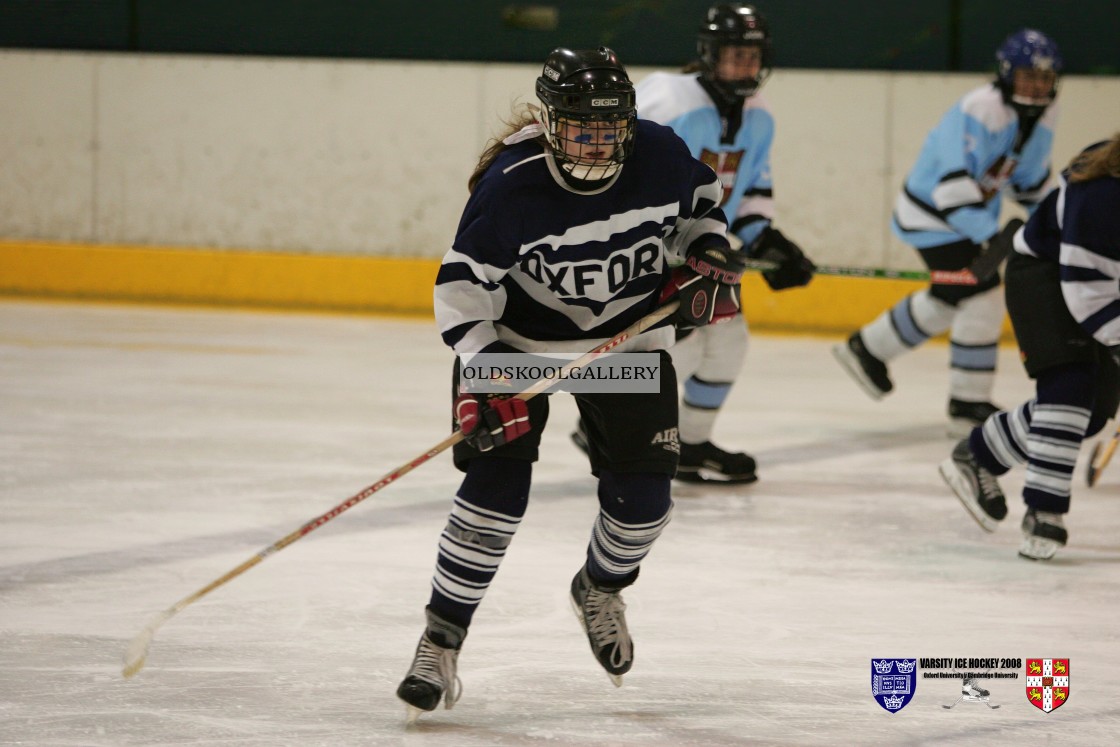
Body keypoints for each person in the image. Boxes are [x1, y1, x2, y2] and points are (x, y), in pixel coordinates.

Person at [396, 47, 745, 719]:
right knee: (494, 496)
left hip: (630, 340)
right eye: (582, 127)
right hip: (517, 348)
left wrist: (706, 250)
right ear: (553, 122)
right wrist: (486, 376)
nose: (597, 141)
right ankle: (439, 640)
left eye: (610, 127)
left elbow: (703, 209)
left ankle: (600, 585)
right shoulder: (512, 187)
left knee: (644, 501)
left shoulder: (660, 154)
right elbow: (462, 296)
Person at [571, 3, 815, 484]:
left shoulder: (759, 117)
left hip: (700, 251)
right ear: (708, 54)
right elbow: (617, 173)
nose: (745, 65)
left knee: (728, 341)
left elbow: (748, 189)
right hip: (645, 250)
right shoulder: (668, 100)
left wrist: (768, 238)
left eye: (753, 55)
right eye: (734, 55)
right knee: (671, 345)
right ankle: (600, 422)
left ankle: (692, 442)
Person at [833, 29, 1063, 437]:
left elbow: (1027, 181)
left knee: (953, 295)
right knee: (982, 294)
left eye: (1045, 77)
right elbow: (950, 186)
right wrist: (990, 233)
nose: (1037, 85)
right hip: (933, 215)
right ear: (1007, 74)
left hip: (965, 217)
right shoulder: (982, 108)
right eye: (1029, 75)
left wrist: (1061, 218)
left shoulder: (1042, 114)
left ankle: (868, 348)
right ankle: (966, 402)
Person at [938, 133, 1120, 560]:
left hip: (1100, 289)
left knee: (1091, 416)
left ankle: (978, 454)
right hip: (1048, 278)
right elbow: (1086, 289)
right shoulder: (1101, 195)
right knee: (1070, 387)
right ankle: (1044, 511)